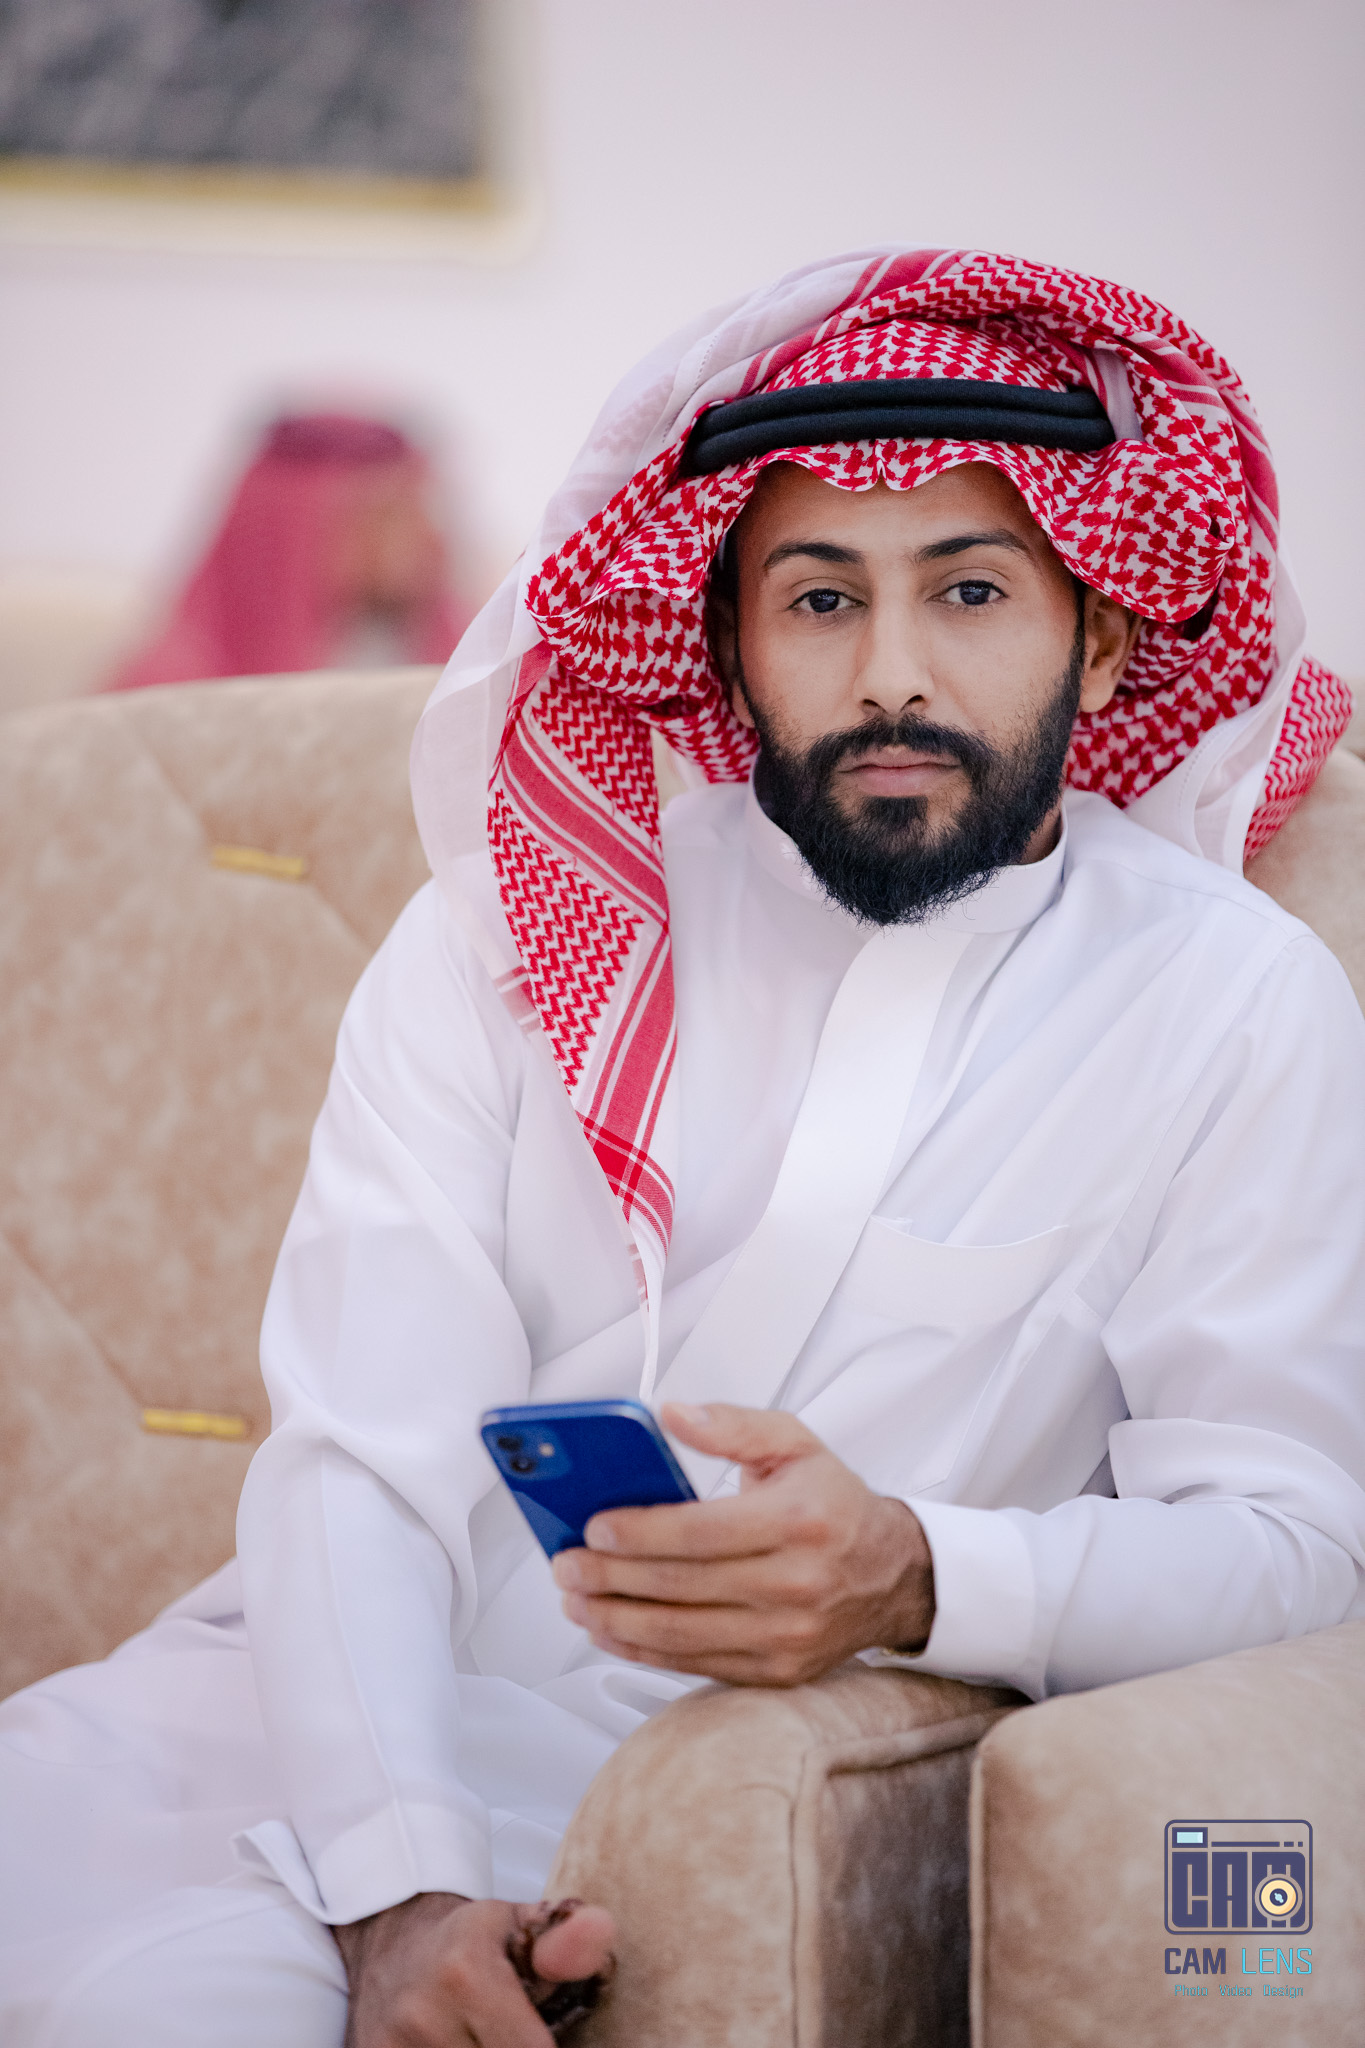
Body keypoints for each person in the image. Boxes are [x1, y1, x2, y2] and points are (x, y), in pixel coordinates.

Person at [2, 247, 1362, 2046]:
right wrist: (400, 1889)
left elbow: (1284, 1540)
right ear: (727, 637)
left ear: (1101, 638)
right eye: (818, 599)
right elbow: (357, 1457)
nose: (889, 675)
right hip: (272, 1724)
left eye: (969, 589)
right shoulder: (512, 928)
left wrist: (920, 1569)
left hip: (644, 1798)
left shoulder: (1229, 1001)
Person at [106, 413, 464, 692]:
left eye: (425, 510)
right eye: (390, 517)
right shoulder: (171, 691)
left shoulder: (458, 668)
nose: (429, 538)